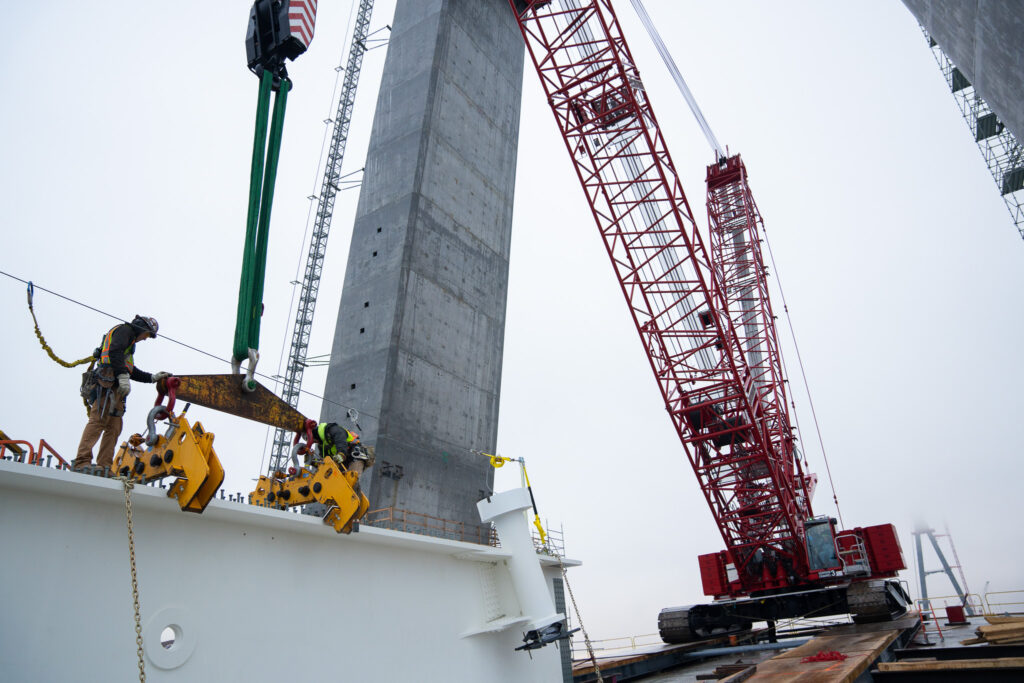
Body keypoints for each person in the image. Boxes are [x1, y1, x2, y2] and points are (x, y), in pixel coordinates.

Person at [73, 315, 171, 473]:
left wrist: (152, 377)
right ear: (141, 328)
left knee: (114, 426)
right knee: (98, 420)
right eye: (147, 334)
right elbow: (115, 352)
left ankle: (104, 466)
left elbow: (130, 369)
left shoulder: (129, 343)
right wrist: (122, 375)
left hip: (116, 387)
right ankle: (82, 461)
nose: (145, 338)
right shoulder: (125, 331)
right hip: (107, 382)